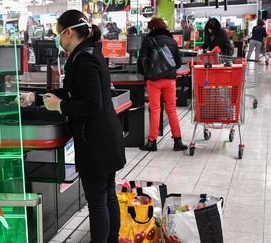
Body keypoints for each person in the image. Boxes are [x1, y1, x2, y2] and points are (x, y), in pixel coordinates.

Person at [21, 10, 126, 243]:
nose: (58, 38)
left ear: (69, 32)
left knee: (98, 201)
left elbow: (92, 103)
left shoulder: (84, 59)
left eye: (59, 33)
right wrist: (35, 98)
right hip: (106, 137)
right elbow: (73, 92)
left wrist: (61, 107)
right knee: (108, 195)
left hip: (96, 142)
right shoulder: (88, 53)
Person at [138, 17, 188, 152]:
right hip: (170, 80)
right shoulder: (172, 41)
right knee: (171, 109)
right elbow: (178, 62)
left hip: (153, 80)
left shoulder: (148, 40)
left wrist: (145, 74)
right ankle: (178, 141)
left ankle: (152, 142)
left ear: (152, 28)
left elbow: (141, 60)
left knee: (155, 110)